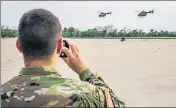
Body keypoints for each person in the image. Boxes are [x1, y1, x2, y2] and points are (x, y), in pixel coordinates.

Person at [1, 9, 125, 107]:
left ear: (19, 45)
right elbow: (115, 103)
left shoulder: (3, 93)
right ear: (60, 45)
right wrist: (85, 71)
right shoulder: (88, 95)